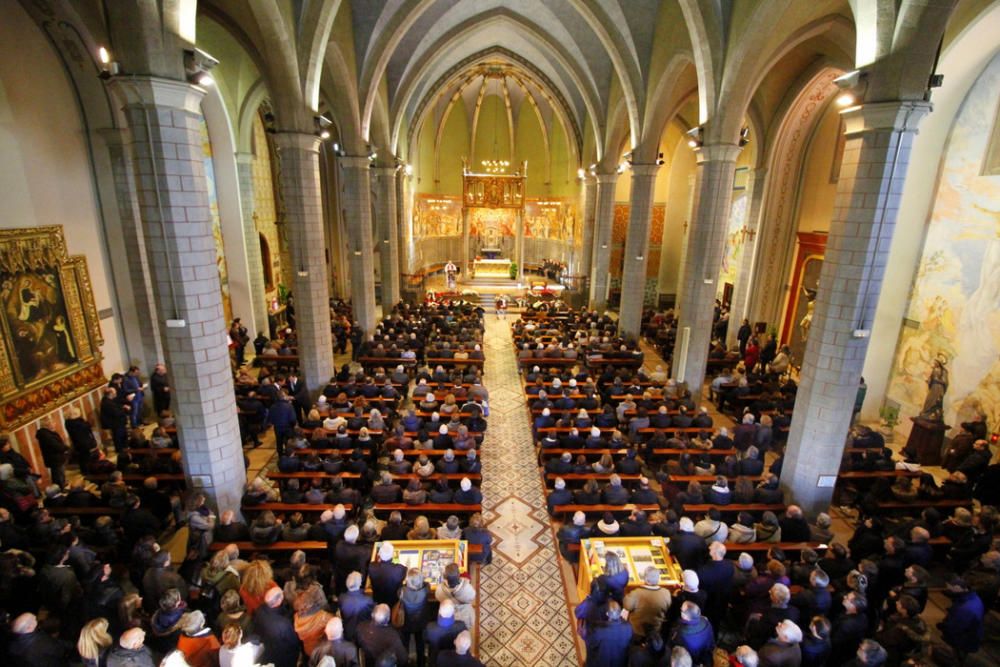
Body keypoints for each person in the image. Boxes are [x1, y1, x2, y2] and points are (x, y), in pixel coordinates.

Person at [254, 587, 302, 667]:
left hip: (268, 648)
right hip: (284, 656)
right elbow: (293, 642)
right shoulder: (283, 624)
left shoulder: (259, 610)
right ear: (279, 601)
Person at [623, 565, 672, 639]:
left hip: (637, 631)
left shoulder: (636, 593)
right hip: (656, 631)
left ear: (645, 578)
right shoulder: (666, 593)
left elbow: (626, 605)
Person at [586, 600, 633, 667]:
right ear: (620, 613)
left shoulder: (599, 630)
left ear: (607, 614)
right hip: (620, 663)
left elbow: (591, 644)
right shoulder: (628, 627)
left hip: (602, 663)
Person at [669, 602, 715, 666]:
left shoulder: (680, 633)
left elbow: (673, 646)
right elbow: (712, 643)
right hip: (705, 656)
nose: (680, 609)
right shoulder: (706, 622)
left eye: (681, 610)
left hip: (690, 661)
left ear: (686, 617)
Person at [425, 599, 467, 666]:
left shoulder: (430, 627)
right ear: (453, 612)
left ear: (439, 611)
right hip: (453, 658)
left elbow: (426, 640)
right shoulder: (461, 626)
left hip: (435, 659)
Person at [35, 417, 69, 488]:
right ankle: (60, 487)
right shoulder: (46, 435)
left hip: (55, 457)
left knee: (59, 473)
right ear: (48, 425)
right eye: (53, 423)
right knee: (58, 474)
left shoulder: (48, 433)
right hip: (54, 458)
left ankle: (61, 485)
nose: (54, 424)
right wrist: (65, 447)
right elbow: (55, 446)